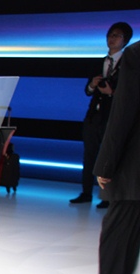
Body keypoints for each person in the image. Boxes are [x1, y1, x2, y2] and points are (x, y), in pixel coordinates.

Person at [85, 39, 140, 274]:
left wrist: (105, 164)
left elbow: (123, 112)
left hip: (135, 166)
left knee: (120, 232)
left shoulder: (136, 54)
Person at [70, 22, 133, 208]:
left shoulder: (129, 64)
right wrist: (93, 85)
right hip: (94, 116)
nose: (112, 38)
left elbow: (130, 93)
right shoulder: (99, 62)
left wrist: (111, 93)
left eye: (117, 35)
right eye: (110, 35)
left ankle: (107, 196)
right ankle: (86, 192)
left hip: (114, 117)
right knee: (89, 155)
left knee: (109, 156)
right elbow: (87, 90)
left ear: (125, 40)